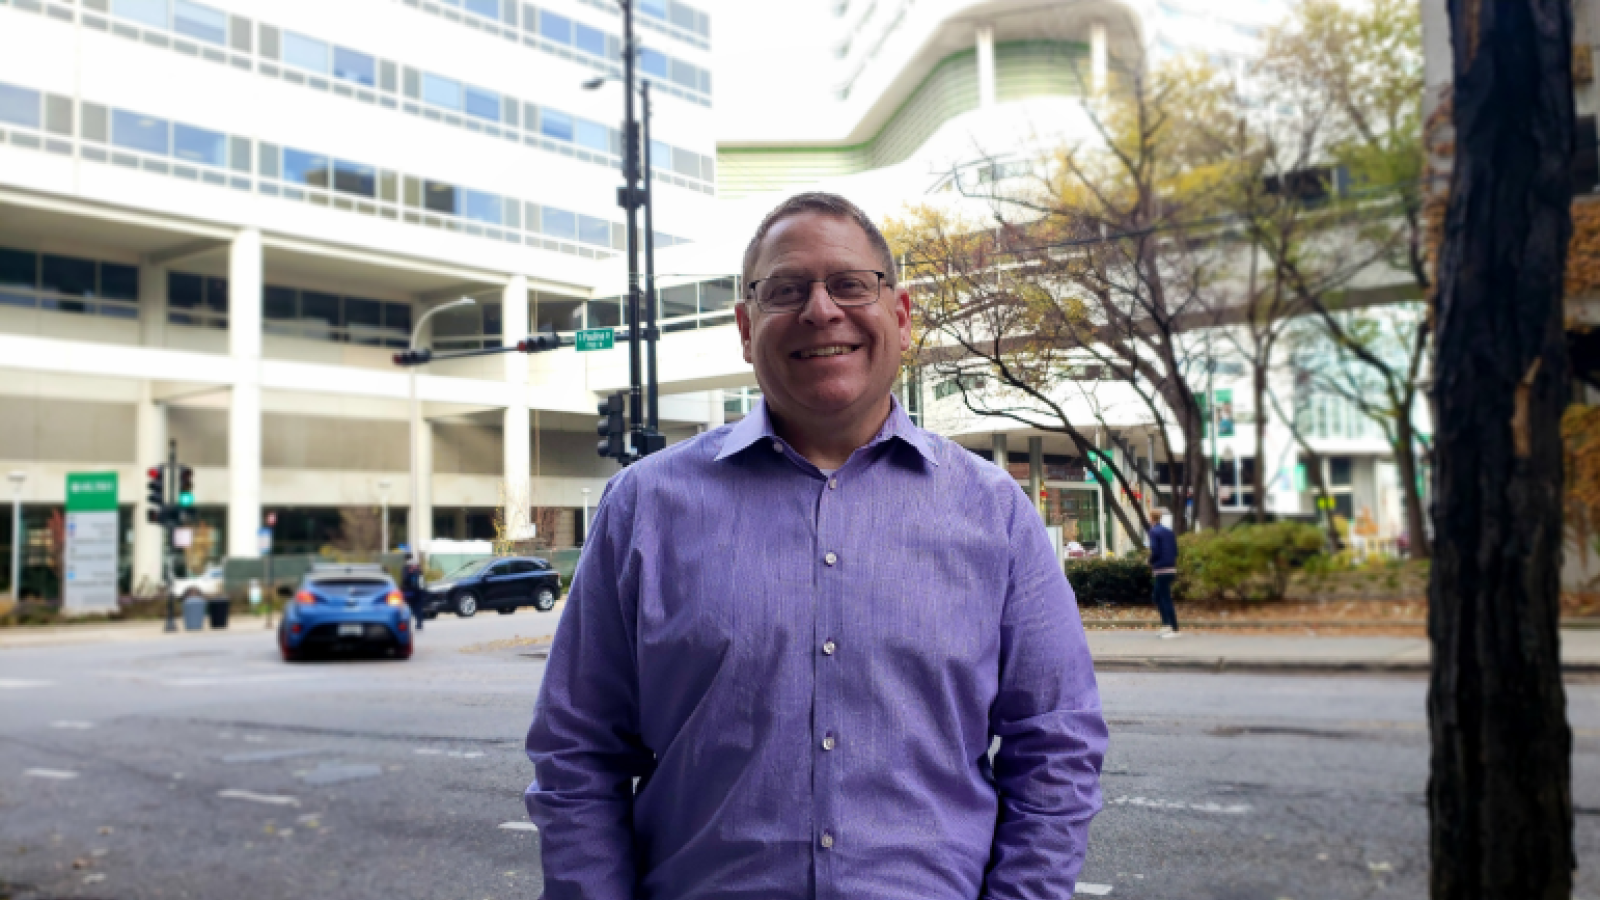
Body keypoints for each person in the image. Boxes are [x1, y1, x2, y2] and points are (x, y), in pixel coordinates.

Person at [526, 192, 1107, 899]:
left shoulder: (995, 513)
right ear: (746, 328)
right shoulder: (643, 508)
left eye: (850, 284)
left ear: (901, 315)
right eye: (786, 290)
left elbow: (1056, 743)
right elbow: (576, 751)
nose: (821, 310)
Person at [1148, 509, 1181, 638]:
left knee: (1162, 597)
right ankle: (1170, 625)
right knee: (1159, 596)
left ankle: (1170, 627)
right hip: (1171, 568)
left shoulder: (1154, 531)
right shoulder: (1169, 532)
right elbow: (1175, 551)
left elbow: (1155, 551)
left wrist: (1150, 561)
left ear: (1152, 518)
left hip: (1161, 569)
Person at [401, 553, 425, 631]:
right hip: (419, 590)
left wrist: (403, 588)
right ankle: (419, 623)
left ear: (405, 559)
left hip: (410, 591)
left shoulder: (406, 567)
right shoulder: (418, 566)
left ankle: (406, 624)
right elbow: (422, 576)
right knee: (418, 607)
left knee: (408, 607)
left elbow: (405, 578)